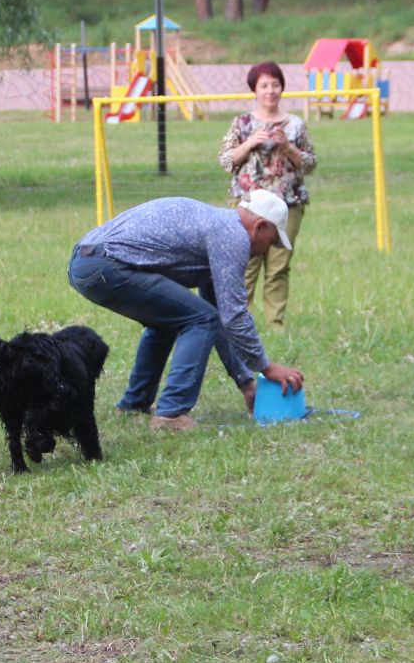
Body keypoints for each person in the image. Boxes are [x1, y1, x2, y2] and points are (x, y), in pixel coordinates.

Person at [68, 191, 306, 432]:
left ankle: (134, 404)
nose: (267, 251)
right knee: (200, 319)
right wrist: (266, 367)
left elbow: (223, 317)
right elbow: (232, 316)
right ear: (260, 227)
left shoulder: (218, 229)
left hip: (86, 262)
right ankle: (171, 414)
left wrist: (247, 383)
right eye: (271, 241)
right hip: (105, 264)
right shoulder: (232, 236)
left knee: (173, 319)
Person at [219, 61, 317, 330]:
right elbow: (226, 160)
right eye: (264, 85)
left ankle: (275, 324)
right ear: (255, 89)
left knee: (278, 266)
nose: (270, 91)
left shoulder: (295, 125)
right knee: (245, 266)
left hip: (288, 203)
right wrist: (250, 143)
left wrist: (288, 148)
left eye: (275, 85)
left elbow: (310, 163)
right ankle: (239, 324)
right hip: (249, 207)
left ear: (282, 88)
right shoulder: (243, 123)